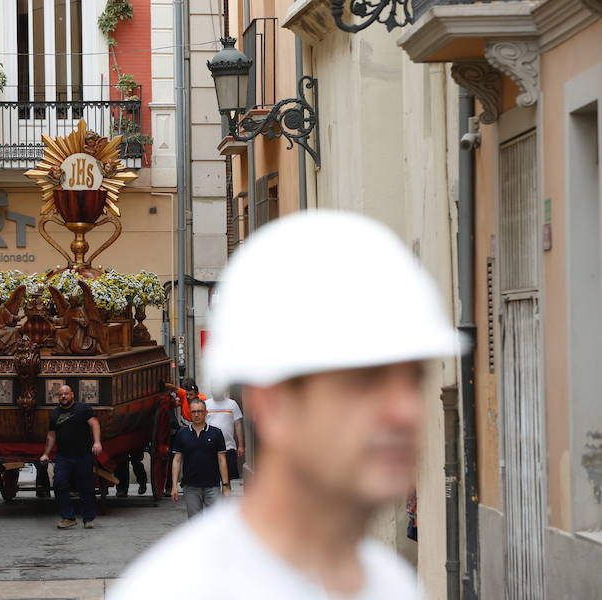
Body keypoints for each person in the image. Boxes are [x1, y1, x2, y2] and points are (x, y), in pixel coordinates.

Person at [109, 211, 462, 599]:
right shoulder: (181, 590)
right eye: (365, 383)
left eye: (414, 380)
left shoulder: (388, 583)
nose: (406, 412)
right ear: (274, 404)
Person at [39, 384, 102, 529]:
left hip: (83, 455)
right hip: (63, 457)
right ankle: (68, 518)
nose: (63, 397)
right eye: (60, 394)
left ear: (72, 395)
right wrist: (45, 454)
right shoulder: (54, 413)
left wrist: (97, 442)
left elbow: (95, 424)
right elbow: (51, 435)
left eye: (66, 394)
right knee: (59, 484)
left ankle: (88, 519)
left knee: (86, 487)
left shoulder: (83, 409)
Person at [170, 400, 229, 518]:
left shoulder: (216, 433)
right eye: (194, 412)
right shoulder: (182, 434)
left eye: (200, 411)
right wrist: (174, 486)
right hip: (191, 487)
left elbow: (222, 460)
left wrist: (226, 485)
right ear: (190, 414)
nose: (196, 415)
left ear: (206, 413)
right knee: (195, 524)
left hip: (212, 486)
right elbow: (176, 460)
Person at [204, 394, 244, 481]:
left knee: (229, 479)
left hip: (228, 448)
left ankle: (227, 494)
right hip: (210, 448)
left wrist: (240, 445)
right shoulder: (206, 404)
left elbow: (238, 425)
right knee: (212, 479)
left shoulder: (232, 404)